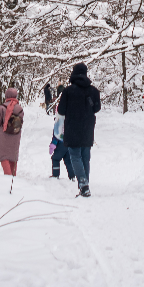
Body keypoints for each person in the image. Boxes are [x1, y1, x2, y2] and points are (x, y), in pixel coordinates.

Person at [57, 62, 101, 197]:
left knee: (75, 155)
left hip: (72, 127)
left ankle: (83, 184)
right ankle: (85, 184)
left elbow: (61, 110)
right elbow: (97, 108)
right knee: (85, 156)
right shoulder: (93, 91)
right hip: (88, 127)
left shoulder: (68, 91)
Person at [0, 87, 23, 176]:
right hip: (16, 136)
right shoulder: (20, 109)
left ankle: (8, 177)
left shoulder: (2, 107)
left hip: (4, 136)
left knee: (4, 157)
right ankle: (13, 178)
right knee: (13, 158)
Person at [49, 114, 75, 180]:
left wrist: (53, 144)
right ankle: (72, 176)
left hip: (61, 144)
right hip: (69, 144)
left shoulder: (59, 123)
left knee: (55, 159)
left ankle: (55, 175)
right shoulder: (71, 120)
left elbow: (56, 135)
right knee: (68, 161)